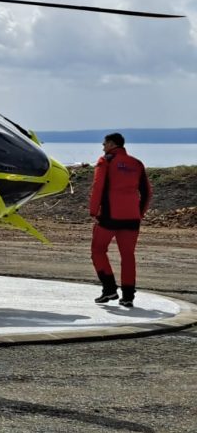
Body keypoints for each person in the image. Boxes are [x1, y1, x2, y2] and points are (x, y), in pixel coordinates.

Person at [89, 132, 152, 308]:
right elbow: (147, 192)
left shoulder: (105, 161)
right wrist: (140, 213)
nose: (102, 147)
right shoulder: (137, 163)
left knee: (98, 250)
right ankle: (128, 297)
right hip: (132, 218)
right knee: (128, 256)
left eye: (104, 144)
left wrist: (94, 211)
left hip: (110, 216)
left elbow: (97, 187)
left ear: (111, 144)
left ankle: (109, 289)